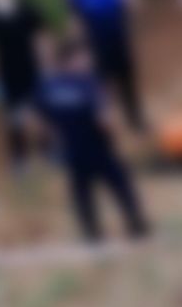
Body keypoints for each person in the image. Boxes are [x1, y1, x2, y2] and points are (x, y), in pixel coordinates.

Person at [33, 40, 148, 242]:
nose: (87, 61)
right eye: (83, 58)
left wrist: (48, 146)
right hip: (97, 147)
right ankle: (135, 224)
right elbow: (103, 120)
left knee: (81, 191)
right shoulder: (89, 84)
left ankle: (91, 232)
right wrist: (116, 132)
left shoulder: (51, 87)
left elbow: (40, 122)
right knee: (120, 184)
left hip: (72, 149)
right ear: (71, 61)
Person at [0, 0, 50, 174]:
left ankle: (47, 150)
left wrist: (46, 65)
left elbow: (40, 38)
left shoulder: (27, 10)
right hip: (5, 74)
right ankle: (19, 157)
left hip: (31, 69)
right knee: (13, 117)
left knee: (40, 110)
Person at [68, 0, 146, 132]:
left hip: (119, 42)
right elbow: (75, 21)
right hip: (95, 46)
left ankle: (134, 119)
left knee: (127, 82)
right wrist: (79, 47)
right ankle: (102, 124)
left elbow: (137, 5)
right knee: (101, 87)